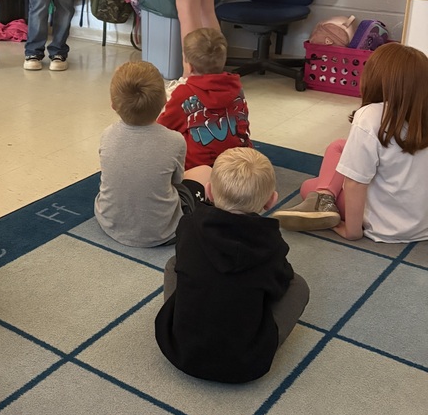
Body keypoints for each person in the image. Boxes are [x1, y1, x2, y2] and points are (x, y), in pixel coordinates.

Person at [155, 148, 310, 384]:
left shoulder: (189, 225)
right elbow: (279, 286)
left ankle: (183, 318)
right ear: (272, 200)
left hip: (179, 348)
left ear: (209, 192)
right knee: (298, 285)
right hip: (245, 363)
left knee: (174, 263)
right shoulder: (271, 244)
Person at [273, 43, 428, 242]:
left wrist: (352, 231)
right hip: (421, 221)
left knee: (308, 186)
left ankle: (322, 197)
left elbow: (356, 183)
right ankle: (324, 196)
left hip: (383, 222)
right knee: (338, 145)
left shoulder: (370, 116)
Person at [94, 61, 212, 247]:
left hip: (109, 223)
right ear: (165, 101)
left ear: (113, 105)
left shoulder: (107, 135)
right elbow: (177, 182)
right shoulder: (175, 140)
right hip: (164, 232)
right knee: (205, 171)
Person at [158, 27, 252, 169]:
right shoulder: (237, 88)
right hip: (238, 163)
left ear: (189, 66)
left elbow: (161, 129)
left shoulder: (183, 94)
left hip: (199, 168)